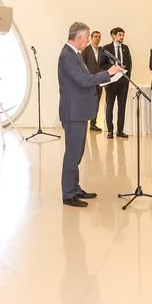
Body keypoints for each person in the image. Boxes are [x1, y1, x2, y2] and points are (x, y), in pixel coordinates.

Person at [59, 22, 122, 207]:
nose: (88, 40)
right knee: (73, 154)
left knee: (77, 152)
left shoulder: (74, 54)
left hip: (79, 111)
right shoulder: (67, 56)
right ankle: (68, 194)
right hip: (73, 112)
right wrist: (107, 73)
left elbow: (84, 79)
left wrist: (108, 76)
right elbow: (83, 80)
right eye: (86, 37)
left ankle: (75, 188)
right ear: (79, 38)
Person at [100, 27, 132, 139]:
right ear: (113, 35)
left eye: (123, 35)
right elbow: (102, 64)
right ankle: (110, 130)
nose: (122, 37)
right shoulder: (106, 48)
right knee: (110, 106)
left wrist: (127, 78)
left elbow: (129, 64)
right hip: (111, 81)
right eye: (119, 35)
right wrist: (113, 68)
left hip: (123, 82)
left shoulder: (125, 48)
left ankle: (120, 130)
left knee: (122, 106)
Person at [79, 30, 103, 132]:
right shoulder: (85, 50)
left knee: (96, 104)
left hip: (99, 81)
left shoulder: (101, 51)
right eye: (95, 36)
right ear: (92, 38)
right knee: (87, 104)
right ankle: (83, 123)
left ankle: (93, 124)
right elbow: (82, 65)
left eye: (99, 37)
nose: (97, 38)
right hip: (89, 82)